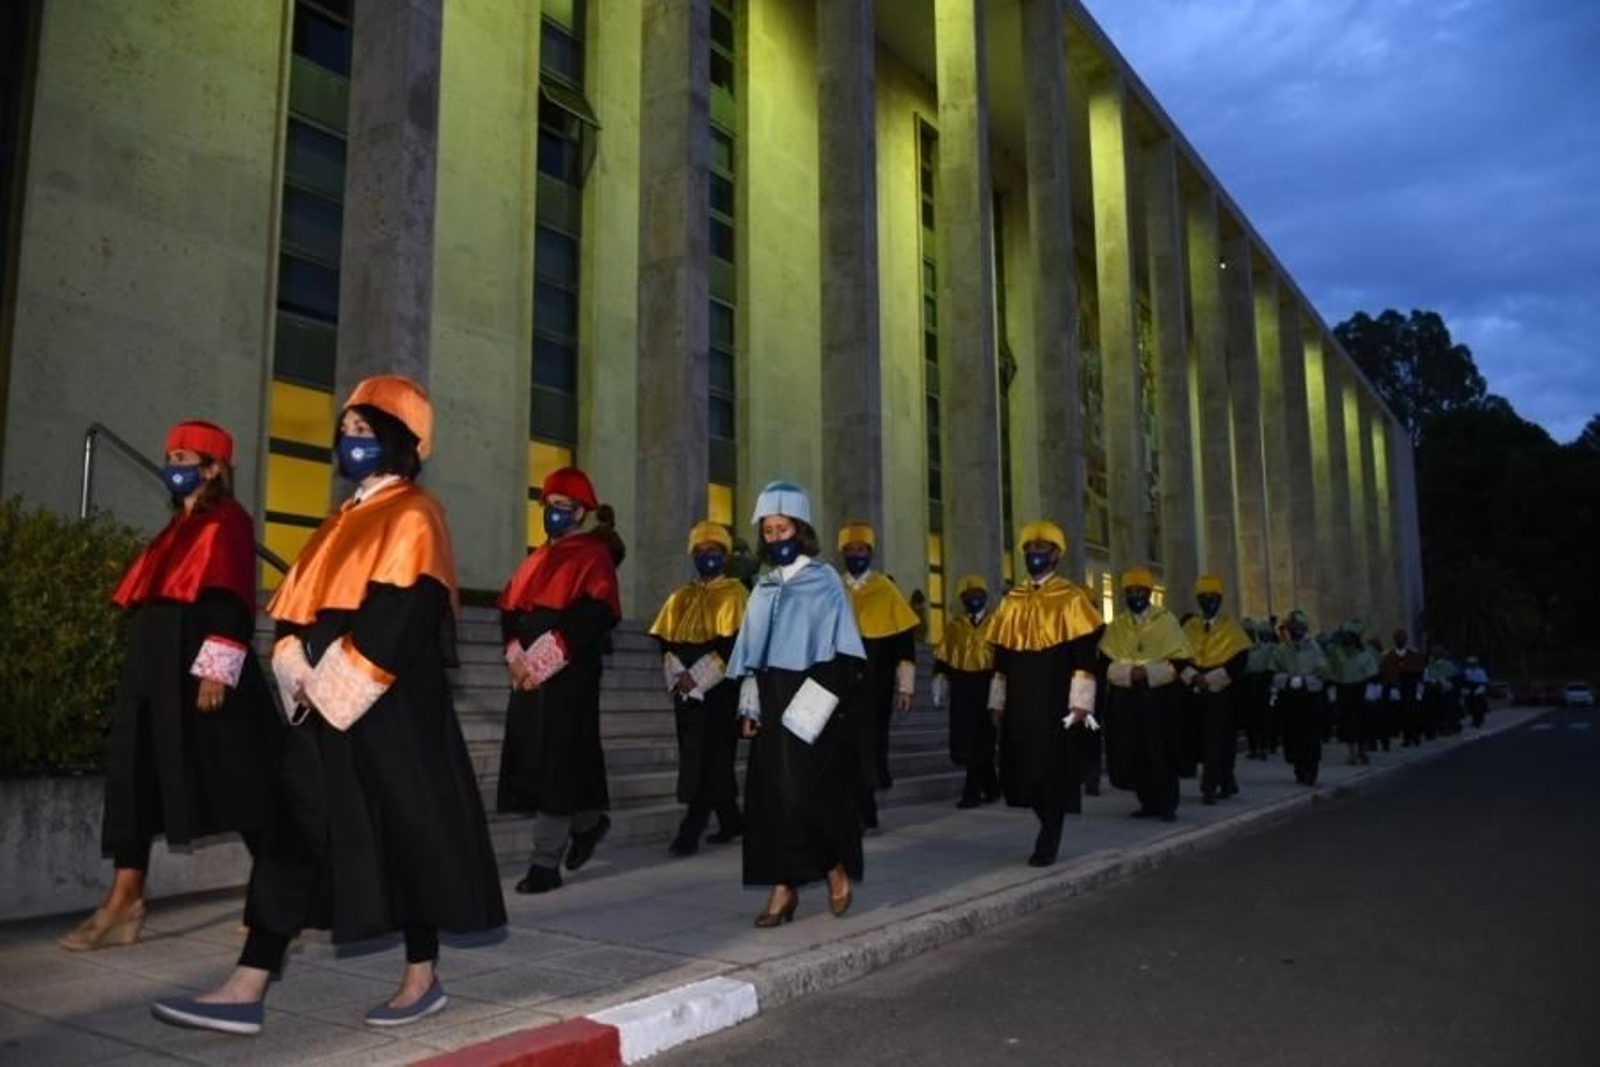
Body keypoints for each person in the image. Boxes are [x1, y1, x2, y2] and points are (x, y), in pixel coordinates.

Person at [152, 376, 505, 1035]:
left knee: (406, 828)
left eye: (366, 433)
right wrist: (293, 662)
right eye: (345, 431)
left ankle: (421, 974)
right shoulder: (339, 520)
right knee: (293, 828)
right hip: (322, 705)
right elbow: (294, 608)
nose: (350, 442)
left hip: (386, 706)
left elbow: (407, 610)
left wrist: (336, 679)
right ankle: (248, 982)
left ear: (397, 442)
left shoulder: (415, 511)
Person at [60, 421, 279, 953]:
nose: (172, 466)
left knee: (237, 778)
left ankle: (276, 894)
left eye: (184, 457)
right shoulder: (172, 530)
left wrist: (216, 666)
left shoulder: (228, 521)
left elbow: (232, 597)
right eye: (170, 456)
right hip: (152, 667)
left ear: (212, 468)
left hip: (200, 666)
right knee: (133, 775)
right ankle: (124, 898)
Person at [728, 481, 866, 926]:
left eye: (781, 528)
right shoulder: (762, 586)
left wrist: (816, 705)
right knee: (771, 800)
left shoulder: (824, 580)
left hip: (812, 693)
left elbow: (844, 651)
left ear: (800, 530)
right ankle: (783, 888)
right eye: (767, 531)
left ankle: (832, 866)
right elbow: (751, 655)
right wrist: (749, 707)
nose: (774, 538)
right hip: (770, 695)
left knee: (805, 794)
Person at [496, 467, 622, 894]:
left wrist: (543, 662)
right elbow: (509, 610)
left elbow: (595, 613)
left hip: (569, 674)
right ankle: (588, 822)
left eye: (564, 508)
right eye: (550, 506)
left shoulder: (592, 555)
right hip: (528, 675)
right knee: (545, 759)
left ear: (581, 513)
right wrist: (515, 656)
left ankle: (544, 862)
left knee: (559, 761)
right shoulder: (533, 559)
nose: (554, 514)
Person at [986, 521, 1104, 866]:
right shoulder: (1012, 600)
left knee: (1052, 767)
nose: (1035, 554)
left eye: (1042, 548)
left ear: (1056, 554)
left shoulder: (1071, 598)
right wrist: (997, 700)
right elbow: (1001, 659)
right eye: (1029, 548)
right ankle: (1046, 820)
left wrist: (1081, 703)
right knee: (1023, 766)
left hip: (1056, 699)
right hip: (1021, 700)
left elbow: (1084, 656)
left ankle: (1050, 835)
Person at [649, 520, 749, 855]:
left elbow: (734, 646)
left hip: (719, 689)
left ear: (725, 555)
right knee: (698, 755)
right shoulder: (680, 596)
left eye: (714, 551)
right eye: (701, 551)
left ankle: (690, 830)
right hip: (685, 690)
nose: (707, 557)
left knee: (711, 757)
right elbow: (665, 641)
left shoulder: (736, 594)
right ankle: (732, 820)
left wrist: (700, 677)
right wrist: (678, 674)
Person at [836, 521, 918, 830]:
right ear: (842, 553)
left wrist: (905, 687)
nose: (855, 554)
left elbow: (904, 646)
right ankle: (854, 807)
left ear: (870, 552)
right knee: (844, 745)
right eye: (850, 550)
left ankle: (864, 807)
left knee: (869, 743)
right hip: (840, 682)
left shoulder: (886, 589)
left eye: (861, 549)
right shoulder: (833, 588)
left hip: (875, 683)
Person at [1100, 567, 1193, 822]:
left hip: (1160, 700)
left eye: (1140, 591)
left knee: (1161, 749)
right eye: (1130, 591)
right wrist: (1130, 674)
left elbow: (1180, 662)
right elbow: (1104, 664)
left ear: (1150, 593)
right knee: (1136, 750)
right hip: (1128, 700)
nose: (1135, 595)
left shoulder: (1167, 621)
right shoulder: (1117, 626)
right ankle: (1147, 802)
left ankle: (1167, 804)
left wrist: (1148, 673)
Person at [1180, 574, 1253, 804]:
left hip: (1222, 694)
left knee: (1218, 740)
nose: (1209, 601)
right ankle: (1227, 782)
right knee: (1203, 741)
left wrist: (1210, 679)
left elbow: (1239, 661)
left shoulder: (1231, 627)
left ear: (1220, 600)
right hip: (1195, 693)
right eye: (1204, 597)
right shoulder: (1190, 627)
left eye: (1213, 597)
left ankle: (1209, 787)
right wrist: (1193, 677)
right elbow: (1178, 657)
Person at [933, 575, 999, 808]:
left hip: (987, 685)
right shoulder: (954, 626)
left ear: (986, 596)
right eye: (968, 595)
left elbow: (1003, 659)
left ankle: (971, 792)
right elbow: (943, 657)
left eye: (978, 594)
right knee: (968, 741)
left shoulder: (996, 623)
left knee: (983, 741)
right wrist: (939, 678)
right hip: (961, 688)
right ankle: (992, 786)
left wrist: (1000, 690)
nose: (974, 599)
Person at [1271, 609, 1331, 786]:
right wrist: (1287, 680)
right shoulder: (1281, 650)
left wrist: (1305, 681)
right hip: (1290, 698)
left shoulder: (1314, 648)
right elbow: (1272, 673)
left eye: (1299, 627)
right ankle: (1298, 768)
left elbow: (1323, 673)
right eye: (1293, 627)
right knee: (1293, 735)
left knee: (1311, 736)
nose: (1296, 631)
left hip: (1310, 698)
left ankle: (1311, 770)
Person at [1333, 622, 1381, 765]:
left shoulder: (1366, 655)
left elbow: (1374, 676)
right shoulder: (1339, 655)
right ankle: (1351, 753)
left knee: (1364, 722)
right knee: (1347, 723)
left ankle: (1363, 751)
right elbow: (1334, 673)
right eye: (1345, 645)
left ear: (1355, 643)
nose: (1347, 648)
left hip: (1361, 690)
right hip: (1345, 690)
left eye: (1350, 645)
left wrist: (1372, 694)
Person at [1381, 629, 1427, 747]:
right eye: (1397, 638)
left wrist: (1419, 691)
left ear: (1406, 640)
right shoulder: (1389, 656)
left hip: (1411, 688)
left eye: (1402, 638)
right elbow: (1386, 672)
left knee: (1413, 712)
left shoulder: (1413, 655)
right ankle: (1406, 737)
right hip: (1396, 688)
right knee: (1400, 714)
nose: (1400, 640)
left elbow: (1419, 673)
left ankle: (1415, 735)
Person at [1462, 655, 1490, 728]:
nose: (1472, 665)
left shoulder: (1480, 671)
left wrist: (1480, 690)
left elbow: (1484, 682)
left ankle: (1479, 720)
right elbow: (1465, 680)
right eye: (1470, 663)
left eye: (1473, 663)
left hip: (1479, 687)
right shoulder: (1467, 671)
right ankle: (1474, 720)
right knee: (1470, 705)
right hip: (1470, 688)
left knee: (1478, 705)